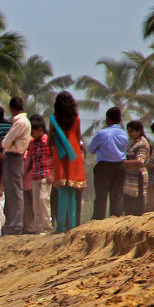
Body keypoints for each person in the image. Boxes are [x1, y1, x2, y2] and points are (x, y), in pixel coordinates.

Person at [48, 91, 87, 233]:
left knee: (63, 192)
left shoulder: (53, 119)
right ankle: (72, 226)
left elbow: (49, 141)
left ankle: (60, 227)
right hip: (74, 155)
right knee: (71, 192)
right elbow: (78, 137)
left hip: (60, 155)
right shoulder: (76, 119)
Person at [87, 107, 129, 219]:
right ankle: (116, 220)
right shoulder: (124, 134)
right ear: (120, 119)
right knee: (117, 196)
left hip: (104, 167)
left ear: (108, 119)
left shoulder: (103, 134)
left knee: (101, 195)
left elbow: (91, 149)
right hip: (120, 166)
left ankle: (98, 219)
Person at [1, 96, 31, 235]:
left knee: (15, 191)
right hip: (15, 157)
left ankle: (16, 225)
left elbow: (6, 142)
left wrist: (9, 143)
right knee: (12, 191)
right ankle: (14, 223)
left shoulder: (20, 122)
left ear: (12, 109)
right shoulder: (24, 121)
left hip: (14, 157)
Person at [23, 114, 53, 234]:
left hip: (45, 175)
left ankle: (47, 227)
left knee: (43, 199)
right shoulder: (32, 143)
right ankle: (38, 227)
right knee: (36, 203)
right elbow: (31, 159)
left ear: (39, 129)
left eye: (33, 131)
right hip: (35, 176)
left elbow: (53, 157)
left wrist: (53, 174)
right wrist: (26, 174)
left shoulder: (47, 141)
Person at [121, 120, 150, 216]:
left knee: (137, 204)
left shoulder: (142, 144)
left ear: (139, 131)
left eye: (132, 131)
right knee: (128, 204)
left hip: (138, 177)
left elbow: (139, 162)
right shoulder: (135, 143)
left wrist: (122, 163)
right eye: (128, 131)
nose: (130, 134)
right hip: (130, 178)